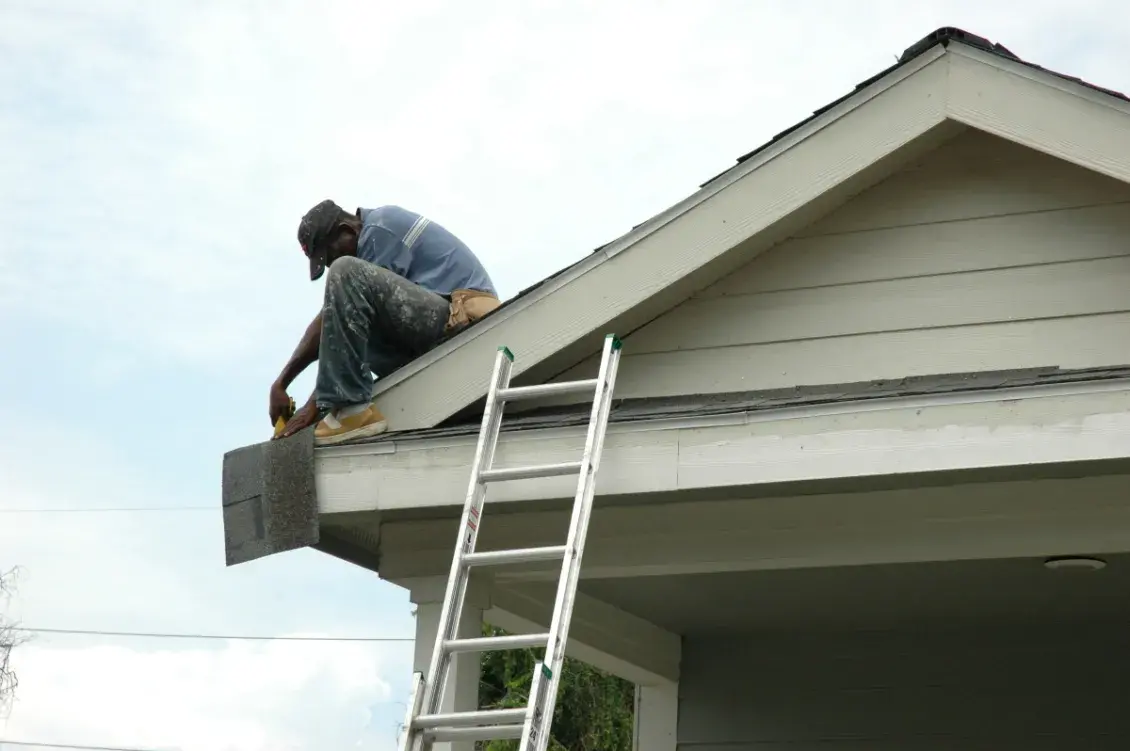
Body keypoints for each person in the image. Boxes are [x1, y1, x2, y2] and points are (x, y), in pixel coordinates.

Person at [270, 200, 500, 445]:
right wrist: (281, 383)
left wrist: (313, 406)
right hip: (432, 328)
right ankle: (342, 412)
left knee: (345, 271)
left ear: (347, 231)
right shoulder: (365, 257)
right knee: (346, 315)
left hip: (464, 318)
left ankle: (352, 412)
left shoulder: (381, 228)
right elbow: (334, 321)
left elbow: (343, 313)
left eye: (330, 256)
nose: (329, 266)